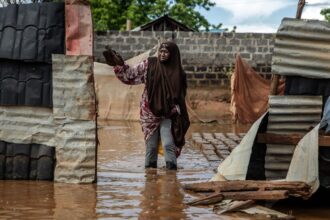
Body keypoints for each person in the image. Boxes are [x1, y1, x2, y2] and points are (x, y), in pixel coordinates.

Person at [103, 41, 190, 170]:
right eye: (161, 51)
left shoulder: (179, 74)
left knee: (168, 144)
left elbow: (181, 97)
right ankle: (150, 175)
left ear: (173, 55)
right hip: (149, 113)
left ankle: (171, 174)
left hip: (169, 113)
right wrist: (119, 64)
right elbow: (131, 75)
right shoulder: (149, 65)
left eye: (166, 52)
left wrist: (181, 116)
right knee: (151, 146)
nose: (162, 54)